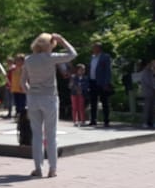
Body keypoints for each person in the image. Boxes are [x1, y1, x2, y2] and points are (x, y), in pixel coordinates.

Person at [22, 33, 77, 178]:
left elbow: (23, 83)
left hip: (33, 98)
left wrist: (31, 93)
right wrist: (63, 40)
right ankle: (52, 169)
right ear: (49, 45)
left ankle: (38, 168)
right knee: (51, 135)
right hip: (50, 98)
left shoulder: (28, 60)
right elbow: (73, 54)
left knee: (37, 135)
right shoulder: (51, 57)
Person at [87, 42, 113, 128]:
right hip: (92, 81)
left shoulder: (105, 57)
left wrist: (107, 82)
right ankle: (93, 120)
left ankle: (106, 121)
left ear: (99, 48)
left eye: (94, 47)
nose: (93, 49)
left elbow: (108, 71)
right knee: (93, 102)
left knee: (105, 102)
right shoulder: (92, 57)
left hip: (102, 82)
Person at [133, 60, 155, 129]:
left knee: (153, 108)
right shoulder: (145, 72)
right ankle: (145, 122)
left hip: (153, 92)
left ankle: (153, 122)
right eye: (149, 64)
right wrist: (154, 87)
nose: (151, 66)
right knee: (147, 108)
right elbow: (148, 82)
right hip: (148, 92)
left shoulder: (152, 72)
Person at [10, 54, 26, 120]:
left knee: (22, 104)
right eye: (16, 60)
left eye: (19, 60)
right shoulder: (13, 69)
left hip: (22, 89)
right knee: (17, 104)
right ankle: (18, 116)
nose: (17, 62)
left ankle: (22, 117)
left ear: (23, 61)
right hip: (15, 88)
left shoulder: (24, 68)